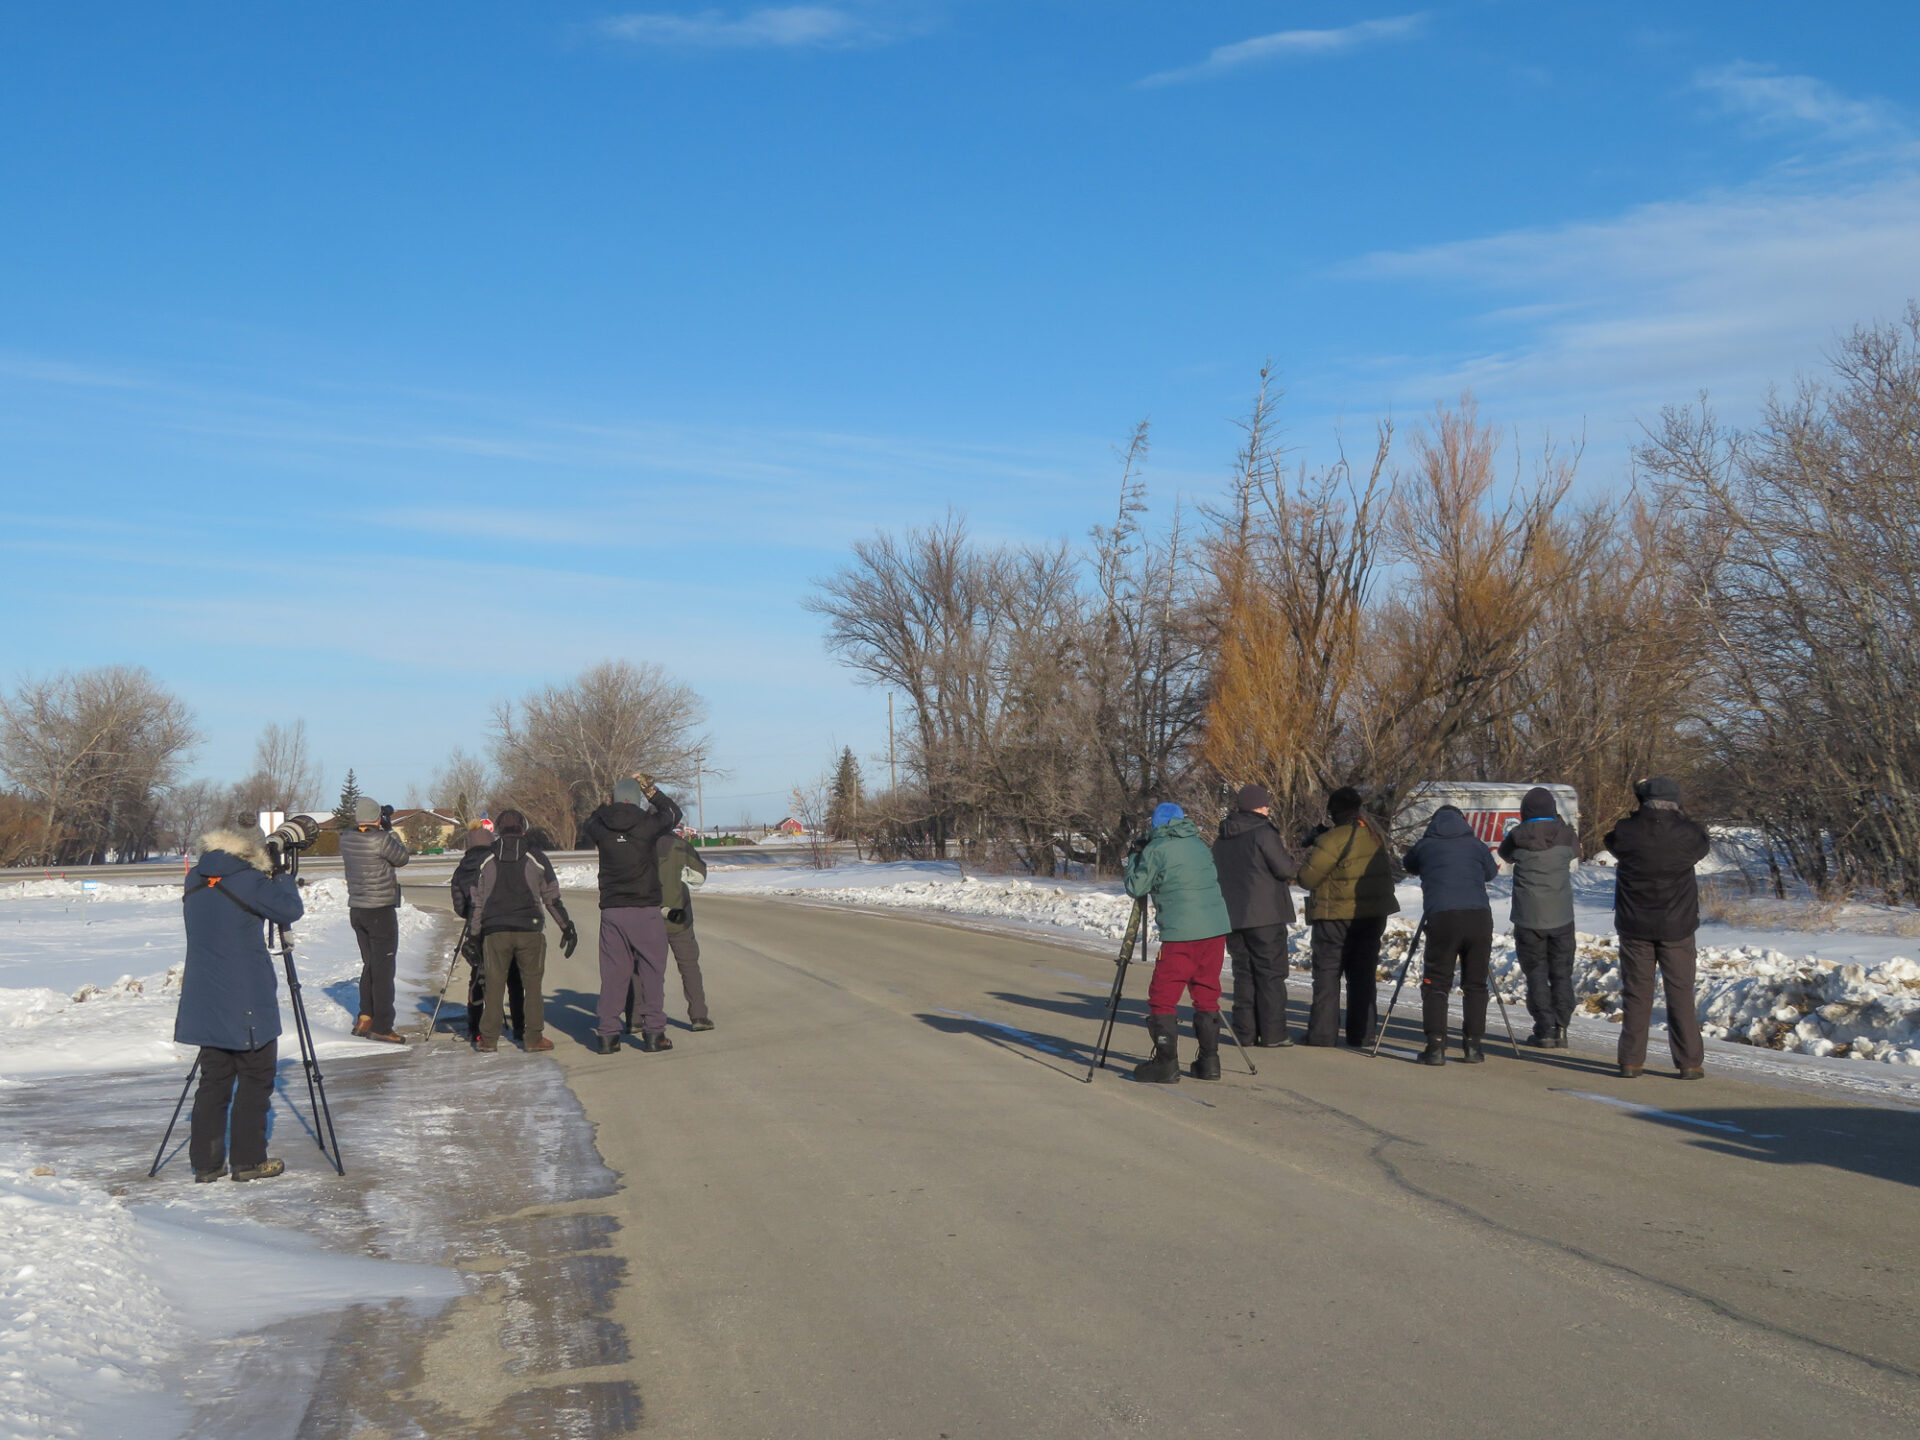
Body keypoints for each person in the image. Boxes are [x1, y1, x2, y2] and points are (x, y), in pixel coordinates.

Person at [174, 823, 304, 1182]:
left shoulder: (195, 878)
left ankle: (206, 1164)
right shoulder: (249, 881)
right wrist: (282, 876)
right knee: (255, 1078)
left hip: (204, 996)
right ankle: (248, 1160)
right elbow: (290, 910)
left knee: (214, 1080)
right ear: (252, 850)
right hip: (247, 997)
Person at [1606, 777, 1712, 1080]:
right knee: (1680, 993)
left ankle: (1631, 1061)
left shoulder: (1626, 831)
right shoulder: (1688, 834)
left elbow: (1610, 842)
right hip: (1678, 926)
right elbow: (1702, 843)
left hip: (1634, 924)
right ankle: (1689, 1062)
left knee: (1637, 994)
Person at [1124, 802, 1233, 1083]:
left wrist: (1135, 856)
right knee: (1206, 991)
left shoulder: (1156, 849)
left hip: (1181, 932)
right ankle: (1209, 1061)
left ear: (1156, 825)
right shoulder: (1198, 844)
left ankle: (1166, 1064)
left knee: (1162, 996)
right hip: (1215, 929)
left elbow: (1136, 886)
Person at [582, 773, 685, 1055]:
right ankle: (654, 1033)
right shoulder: (647, 825)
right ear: (638, 799)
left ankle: (607, 1035)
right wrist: (652, 791)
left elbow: (589, 820)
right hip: (645, 909)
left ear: (614, 799)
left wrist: (608, 805)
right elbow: (673, 812)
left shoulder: (601, 827)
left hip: (613, 911)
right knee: (652, 973)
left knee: (613, 975)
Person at [463, 809, 575, 1054]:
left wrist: (473, 935)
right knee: (532, 985)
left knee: (494, 985)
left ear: (498, 830)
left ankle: (488, 1039)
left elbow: (477, 901)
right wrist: (566, 926)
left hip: (495, 931)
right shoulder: (537, 857)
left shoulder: (486, 858)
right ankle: (533, 1037)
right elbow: (551, 896)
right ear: (524, 829)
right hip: (530, 929)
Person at [1296, 787, 1400, 1047]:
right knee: (1362, 975)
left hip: (1335, 916)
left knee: (1328, 975)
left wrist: (1315, 846)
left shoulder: (1332, 840)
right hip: (1372, 916)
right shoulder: (1376, 836)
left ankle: (1322, 1035)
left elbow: (1307, 878)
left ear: (1333, 812)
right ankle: (1362, 1034)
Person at [1402, 805, 1499, 1065]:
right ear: (1464, 822)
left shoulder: (1425, 845)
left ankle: (1435, 1047)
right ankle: (1473, 1046)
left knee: (1436, 982)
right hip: (1479, 917)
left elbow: (1408, 865)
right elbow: (1491, 873)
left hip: (1443, 917)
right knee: (1476, 984)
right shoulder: (1476, 845)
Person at [1211, 783, 1300, 1048]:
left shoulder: (1222, 837)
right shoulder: (1263, 832)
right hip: (1265, 915)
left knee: (1244, 973)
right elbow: (1285, 869)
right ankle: (1273, 1033)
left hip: (1232, 915)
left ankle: (1245, 1032)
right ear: (1258, 807)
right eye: (1265, 805)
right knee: (1270, 973)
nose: (1268, 809)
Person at [1500, 787, 1581, 1048]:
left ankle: (1544, 1028)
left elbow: (1504, 854)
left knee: (1535, 973)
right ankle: (1561, 1027)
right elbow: (1576, 852)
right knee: (1562, 972)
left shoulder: (1516, 836)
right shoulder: (1566, 835)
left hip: (1528, 917)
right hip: (1561, 916)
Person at [339, 796, 410, 1044]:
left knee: (370, 965)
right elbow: (402, 858)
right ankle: (382, 1026)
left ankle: (365, 1017)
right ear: (378, 818)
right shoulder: (381, 839)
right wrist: (390, 831)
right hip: (380, 910)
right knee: (384, 970)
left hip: (358, 910)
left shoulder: (346, 838)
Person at [628, 825, 712, 1032]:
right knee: (689, 966)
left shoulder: (636, 844)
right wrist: (680, 875)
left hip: (646, 917)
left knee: (640, 968)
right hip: (679, 918)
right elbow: (699, 878)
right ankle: (699, 1016)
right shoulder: (680, 846)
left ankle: (635, 1018)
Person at [451, 816, 524, 1043]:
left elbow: (458, 904)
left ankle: (475, 1027)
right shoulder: (496, 862)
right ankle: (520, 1025)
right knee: (513, 974)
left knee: (479, 975)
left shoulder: (462, 868)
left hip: (476, 927)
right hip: (500, 922)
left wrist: (471, 915)